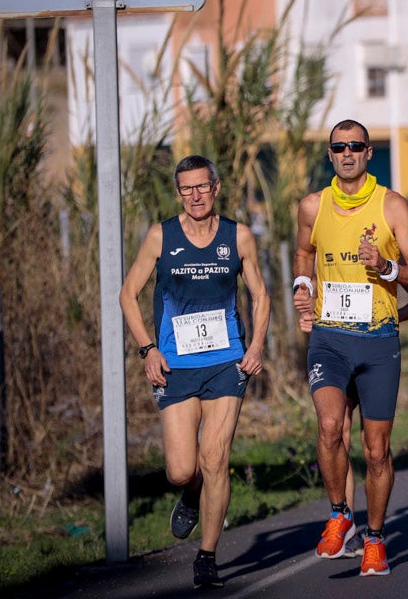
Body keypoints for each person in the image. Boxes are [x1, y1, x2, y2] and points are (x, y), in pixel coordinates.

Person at [120, 155, 270, 589]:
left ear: (216, 187)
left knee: (215, 457)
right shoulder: (159, 236)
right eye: (186, 189)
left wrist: (256, 345)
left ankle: (206, 556)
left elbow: (260, 294)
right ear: (178, 192)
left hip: (226, 361)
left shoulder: (237, 236)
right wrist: (148, 349)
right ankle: (191, 492)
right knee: (183, 470)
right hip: (175, 365)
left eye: (202, 187)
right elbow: (128, 294)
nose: (195, 196)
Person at [292, 119, 408, 577]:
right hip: (329, 337)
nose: (347, 153)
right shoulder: (312, 206)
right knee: (331, 426)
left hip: (376, 342)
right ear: (329, 154)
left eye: (355, 146)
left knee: (376, 451)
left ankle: (374, 538)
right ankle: (339, 515)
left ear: (369, 152)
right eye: (338, 147)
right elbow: (304, 253)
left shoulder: (392, 205)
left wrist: (387, 266)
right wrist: (301, 287)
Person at [332, 285, 408, 558]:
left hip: (375, 350)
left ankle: (374, 532)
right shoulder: (325, 250)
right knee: (336, 430)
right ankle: (346, 524)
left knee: (375, 447)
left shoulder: (381, 245)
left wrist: (386, 318)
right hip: (337, 349)